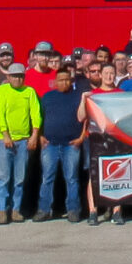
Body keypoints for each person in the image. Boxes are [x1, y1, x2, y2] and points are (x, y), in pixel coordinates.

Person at [0, 63, 39, 224]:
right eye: (14, 76)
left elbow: (35, 113)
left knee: (20, 178)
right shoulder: (1, 91)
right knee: (3, 177)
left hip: (23, 140)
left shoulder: (29, 92)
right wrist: (5, 135)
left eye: (20, 76)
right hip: (4, 140)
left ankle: (16, 209)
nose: (18, 79)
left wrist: (34, 135)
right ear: (8, 77)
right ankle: (2, 210)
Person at [36, 67, 87, 222]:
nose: (64, 82)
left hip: (71, 144)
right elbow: (38, 117)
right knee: (47, 178)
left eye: (67, 79)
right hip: (50, 144)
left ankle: (73, 209)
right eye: (61, 80)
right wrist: (40, 136)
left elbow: (86, 119)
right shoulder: (47, 97)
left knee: (71, 178)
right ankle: (44, 209)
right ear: (55, 82)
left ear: (71, 81)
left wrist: (81, 137)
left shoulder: (77, 97)